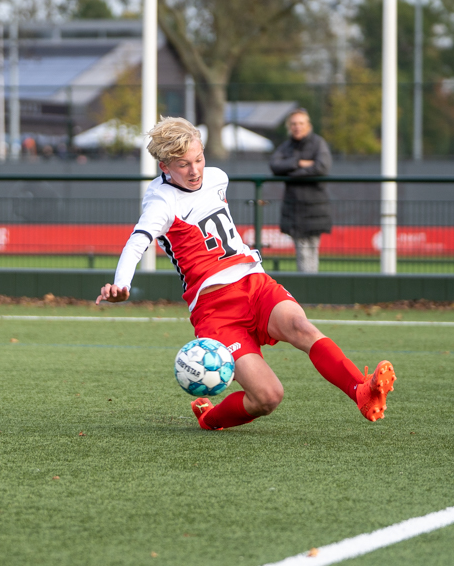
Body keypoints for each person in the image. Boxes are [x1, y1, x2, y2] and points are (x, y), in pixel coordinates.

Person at [96, 117, 395, 431]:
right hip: (216, 311)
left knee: (300, 325)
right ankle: (210, 419)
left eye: (198, 159)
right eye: (183, 165)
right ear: (164, 166)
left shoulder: (216, 178)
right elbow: (136, 243)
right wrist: (121, 285)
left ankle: (362, 392)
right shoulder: (160, 203)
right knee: (268, 397)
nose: (195, 170)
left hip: (254, 284)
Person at [269, 109, 332, 273]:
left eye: (301, 123)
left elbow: (322, 167)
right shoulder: (286, 146)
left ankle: (310, 290)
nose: (297, 127)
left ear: (308, 125)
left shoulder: (318, 143)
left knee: (311, 250)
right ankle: (308, 290)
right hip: (294, 207)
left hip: (315, 206)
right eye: (294, 124)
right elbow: (275, 165)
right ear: (289, 126)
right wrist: (299, 162)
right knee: (303, 252)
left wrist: (292, 172)